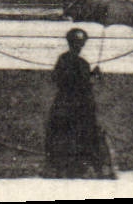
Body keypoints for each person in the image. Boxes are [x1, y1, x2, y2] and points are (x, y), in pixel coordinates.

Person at [44, 28, 116, 179]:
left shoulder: (63, 59)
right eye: (79, 43)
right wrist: (93, 77)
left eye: (80, 43)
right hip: (79, 105)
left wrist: (90, 75)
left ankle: (62, 167)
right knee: (83, 134)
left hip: (63, 103)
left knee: (64, 134)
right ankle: (83, 167)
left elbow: (58, 78)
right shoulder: (81, 63)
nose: (80, 46)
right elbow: (82, 84)